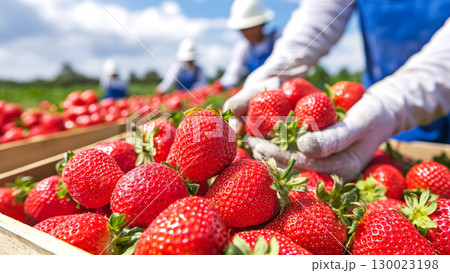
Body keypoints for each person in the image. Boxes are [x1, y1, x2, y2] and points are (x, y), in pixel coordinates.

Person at [223, 0, 450, 181]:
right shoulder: (245, 50)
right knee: (384, 157)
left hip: (400, 103)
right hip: (367, 114)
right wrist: (278, 68)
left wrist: (391, 103)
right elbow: (320, 12)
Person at [218, 0, 280, 89]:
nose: (248, 33)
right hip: (256, 91)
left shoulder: (278, 38)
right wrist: (219, 86)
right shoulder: (243, 48)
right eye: (243, 29)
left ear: (262, 24)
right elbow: (232, 75)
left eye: (252, 27)